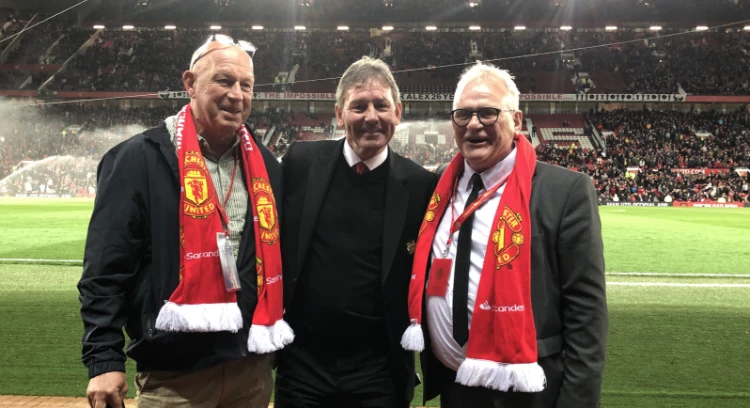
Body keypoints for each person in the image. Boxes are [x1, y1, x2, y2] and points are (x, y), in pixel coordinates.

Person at [78, 34, 293, 408]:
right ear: (190, 84)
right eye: (223, 81)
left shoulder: (266, 165)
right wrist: (103, 359)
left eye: (246, 85)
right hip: (174, 377)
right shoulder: (137, 159)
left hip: (252, 370)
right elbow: (105, 270)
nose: (236, 94)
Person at [400, 62, 608, 408]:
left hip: (529, 389)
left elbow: (586, 313)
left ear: (517, 121)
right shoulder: (437, 186)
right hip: (455, 388)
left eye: (488, 113)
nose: (474, 124)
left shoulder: (564, 191)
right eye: (463, 114)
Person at [274, 56, 436, 408]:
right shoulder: (300, 163)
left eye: (381, 105)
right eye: (358, 106)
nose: (371, 117)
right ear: (339, 113)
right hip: (303, 363)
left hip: (379, 369)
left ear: (398, 111)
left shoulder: (422, 187)